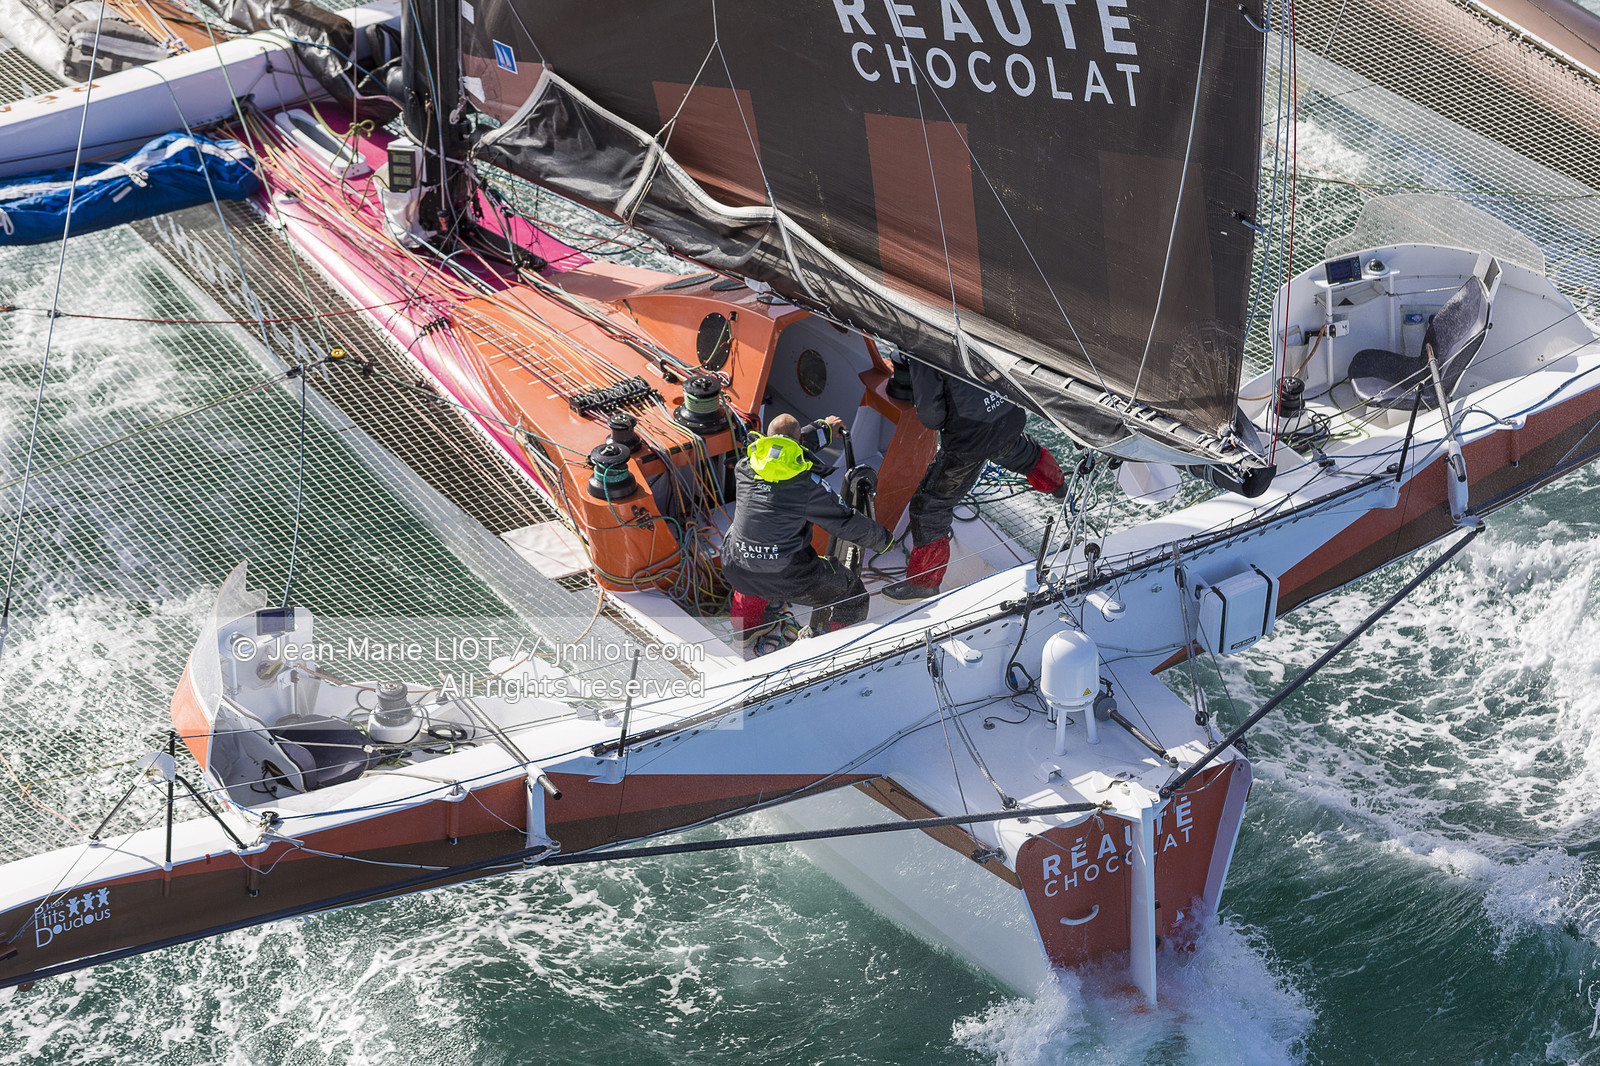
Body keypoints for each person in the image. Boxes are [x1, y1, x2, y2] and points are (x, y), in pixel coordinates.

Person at [883, 361, 1066, 603]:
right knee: (1023, 453)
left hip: (970, 438)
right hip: (1008, 417)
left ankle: (924, 585)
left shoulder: (922, 346)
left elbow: (931, 417)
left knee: (929, 507)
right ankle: (1060, 488)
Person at [724, 413, 893, 646]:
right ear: (800, 443)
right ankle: (837, 648)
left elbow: (783, 447)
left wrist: (822, 429)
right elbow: (845, 522)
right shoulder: (806, 485)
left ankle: (745, 629)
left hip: (736, 566)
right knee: (851, 593)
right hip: (784, 575)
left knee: (752, 564)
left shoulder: (745, 466)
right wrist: (885, 541)